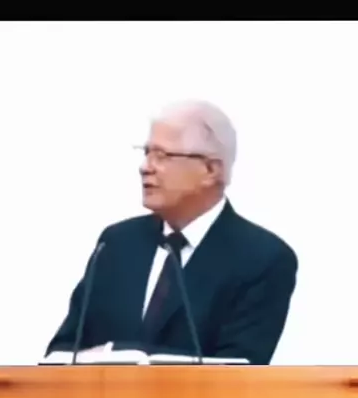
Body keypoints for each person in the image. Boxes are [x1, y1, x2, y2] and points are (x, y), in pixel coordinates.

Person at [45, 100, 298, 365]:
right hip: (102, 394)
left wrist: (120, 354)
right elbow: (62, 352)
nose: (145, 167)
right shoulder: (117, 243)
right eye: (146, 153)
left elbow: (238, 369)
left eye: (162, 155)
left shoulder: (262, 258)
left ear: (210, 170)